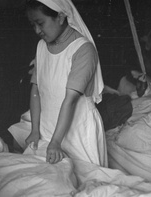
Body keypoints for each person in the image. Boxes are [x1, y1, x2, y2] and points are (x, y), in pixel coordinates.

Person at [24, 0, 107, 166]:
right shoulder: (41, 47)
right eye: (33, 25)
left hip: (78, 131)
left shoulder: (83, 49)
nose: (37, 30)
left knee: (88, 182)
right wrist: (34, 130)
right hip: (48, 128)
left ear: (60, 17)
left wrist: (55, 142)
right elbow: (36, 89)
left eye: (40, 23)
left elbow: (70, 100)